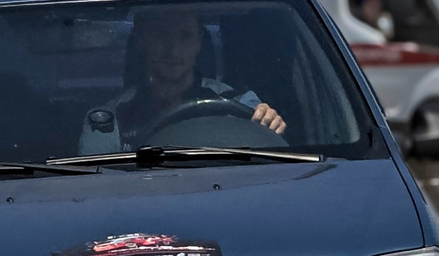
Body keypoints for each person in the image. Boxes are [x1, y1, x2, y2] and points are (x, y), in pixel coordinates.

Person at [74, 9, 287, 154]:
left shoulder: (239, 104)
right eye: (161, 35)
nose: (174, 50)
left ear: (199, 42)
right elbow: (99, 185)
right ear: (142, 40)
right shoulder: (109, 122)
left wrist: (270, 124)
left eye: (185, 36)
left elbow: (275, 166)